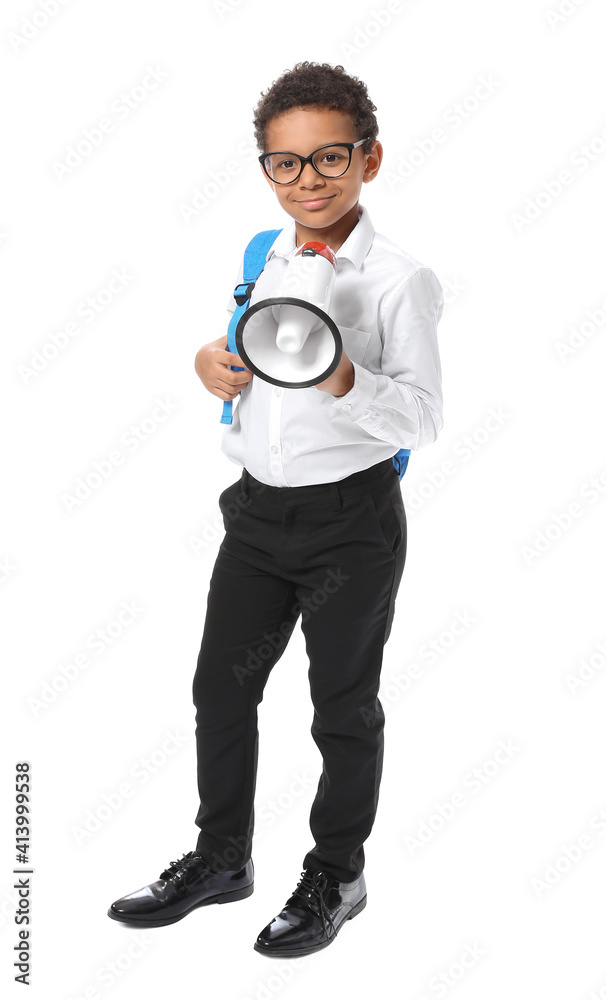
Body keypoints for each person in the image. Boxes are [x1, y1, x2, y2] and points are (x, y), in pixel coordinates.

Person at [107, 61, 444, 958]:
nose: (308, 180)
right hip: (255, 518)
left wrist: (345, 378)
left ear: (370, 160)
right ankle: (222, 858)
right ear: (266, 171)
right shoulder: (265, 255)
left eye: (330, 158)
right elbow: (250, 348)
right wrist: (210, 363)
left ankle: (337, 870)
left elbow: (424, 415)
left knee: (340, 703)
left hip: (351, 524)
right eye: (285, 164)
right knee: (220, 686)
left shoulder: (399, 281)